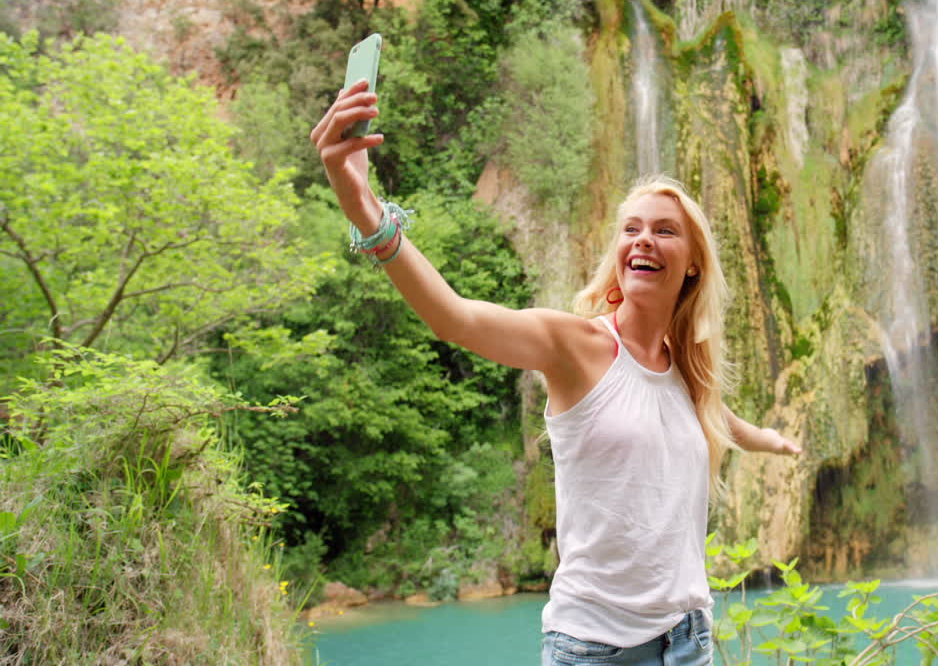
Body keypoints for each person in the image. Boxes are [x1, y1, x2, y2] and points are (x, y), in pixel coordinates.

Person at [311, 80, 802, 666]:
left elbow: (721, 419)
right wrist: (363, 204)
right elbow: (455, 318)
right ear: (619, 250)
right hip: (595, 648)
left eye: (665, 229)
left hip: (690, 640)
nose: (644, 238)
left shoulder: (685, 374)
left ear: (693, 264)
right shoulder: (576, 345)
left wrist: (771, 441)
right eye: (631, 228)